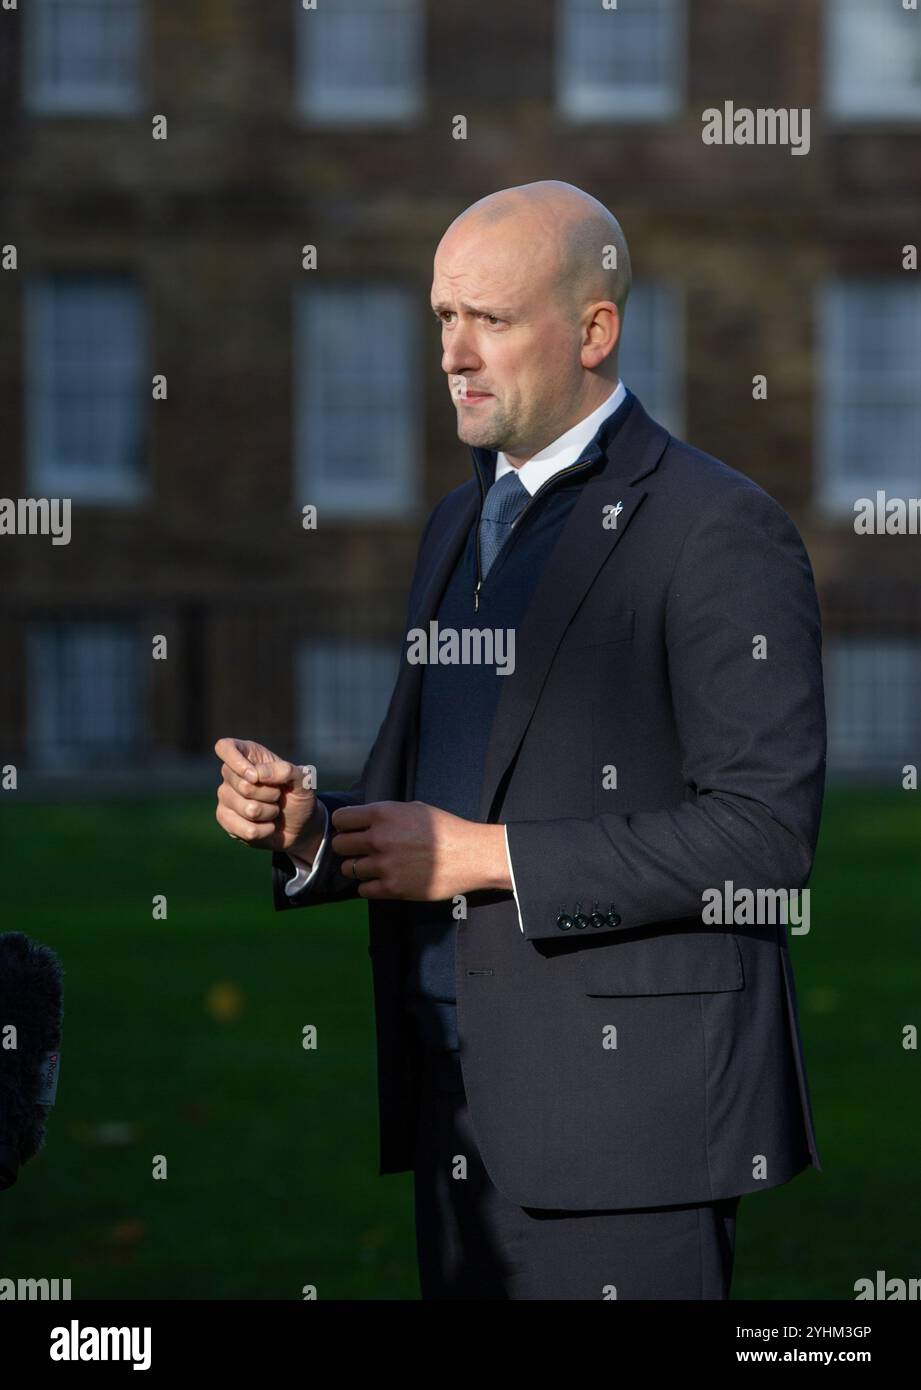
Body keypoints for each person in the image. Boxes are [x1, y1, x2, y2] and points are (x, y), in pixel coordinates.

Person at [215, 180, 826, 1300]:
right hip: (456, 1110)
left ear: (595, 330)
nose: (454, 352)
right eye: (443, 317)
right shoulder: (460, 520)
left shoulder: (719, 529)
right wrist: (311, 829)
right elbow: (436, 796)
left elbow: (765, 838)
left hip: (633, 1139)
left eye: (489, 318)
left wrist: (486, 857)